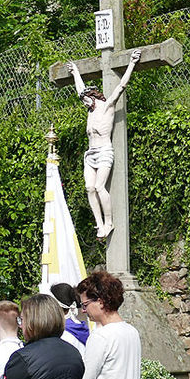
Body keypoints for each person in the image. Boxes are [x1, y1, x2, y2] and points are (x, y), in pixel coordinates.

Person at [68, 48, 142, 238]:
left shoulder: (107, 106)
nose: (84, 104)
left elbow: (121, 86)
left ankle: (109, 222)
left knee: (100, 187)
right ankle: (99, 224)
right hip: (90, 154)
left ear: (93, 97)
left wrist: (132, 63)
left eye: (86, 100)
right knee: (89, 188)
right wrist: (76, 72)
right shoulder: (90, 111)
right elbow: (79, 90)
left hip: (104, 152)